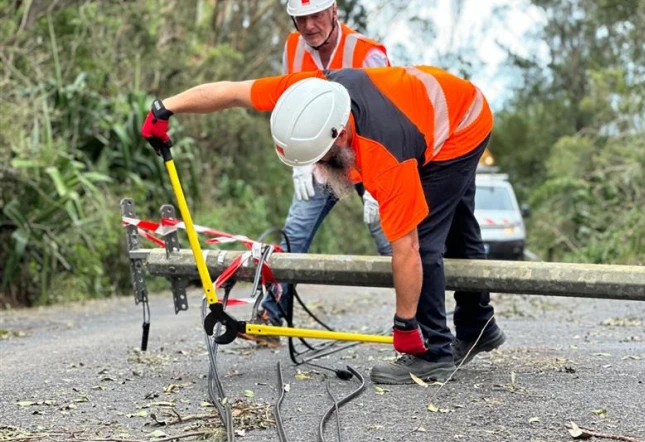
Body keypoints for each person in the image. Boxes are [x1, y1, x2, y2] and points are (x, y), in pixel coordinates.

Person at [141, 66, 507, 384]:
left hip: (460, 125)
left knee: (426, 237)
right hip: (439, 105)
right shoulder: (307, 94)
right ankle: (479, 327)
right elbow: (234, 92)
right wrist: (167, 107)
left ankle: (434, 354)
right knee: (459, 222)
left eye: (322, 159)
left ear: (342, 136)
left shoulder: (385, 156)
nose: (319, 169)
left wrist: (405, 325)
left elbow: (407, 249)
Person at [258, 0, 392, 335]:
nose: (309, 26)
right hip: (325, 157)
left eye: (316, 16)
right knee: (295, 229)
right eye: (300, 19)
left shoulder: (367, 54)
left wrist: (380, 183)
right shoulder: (293, 48)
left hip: (371, 155)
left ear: (334, 12)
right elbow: (292, 107)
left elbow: (389, 119)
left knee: (391, 237)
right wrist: (300, 161)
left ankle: (418, 320)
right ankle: (271, 314)